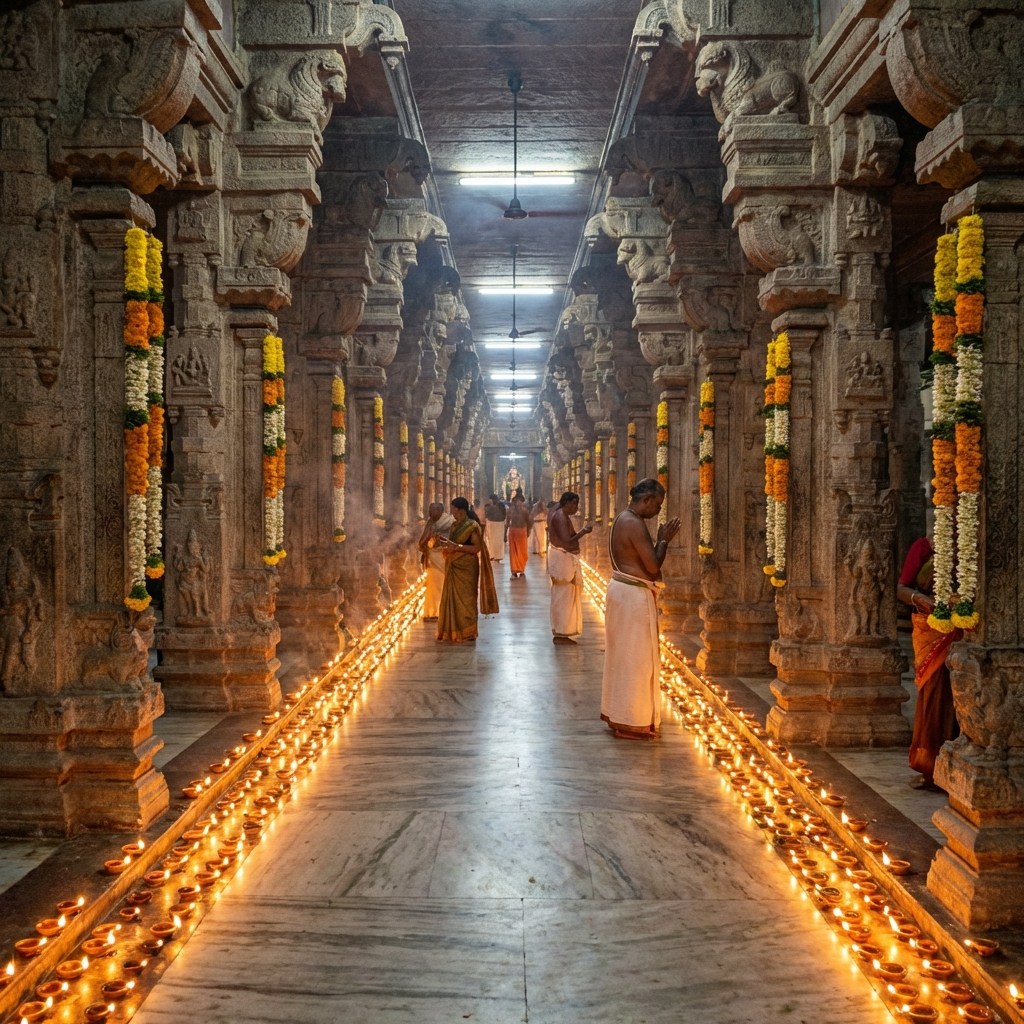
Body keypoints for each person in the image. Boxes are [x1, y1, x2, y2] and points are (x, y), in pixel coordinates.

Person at [600, 478, 681, 739]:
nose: (658, 511)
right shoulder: (634, 523)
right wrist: (663, 540)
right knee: (636, 659)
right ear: (646, 500)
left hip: (623, 591)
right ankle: (630, 719)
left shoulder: (622, 518)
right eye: (657, 505)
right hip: (632, 596)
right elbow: (653, 566)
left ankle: (622, 715)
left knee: (624, 656)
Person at [897, 536, 961, 790]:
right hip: (931, 627)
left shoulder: (977, 547)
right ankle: (930, 765)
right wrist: (921, 600)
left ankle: (956, 767)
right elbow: (902, 587)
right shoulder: (925, 547)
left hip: (966, 629)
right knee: (934, 694)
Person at [436, 496, 499, 643]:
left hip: (467, 568)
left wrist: (456, 547)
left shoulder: (472, 526)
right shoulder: (454, 526)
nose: (452, 513)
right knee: (452, 599)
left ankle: (468, 632)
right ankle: (452, 631)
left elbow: (476, 548)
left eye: (453, 510)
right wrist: (446, 543)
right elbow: (453, 543)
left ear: (461, 510)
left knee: (467, 600)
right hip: (454, 565)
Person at [547, 491, 593, 645]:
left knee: (567, 595)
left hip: (565, 558)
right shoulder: (560, 516)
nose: (576, 508)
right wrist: (584, 532)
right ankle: (561, 632)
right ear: (567, 503)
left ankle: (564, 631)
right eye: (575, 504)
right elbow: (567, 541)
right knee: (563, 595)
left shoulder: (563, 516)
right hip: (562, 559)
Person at [417, 501, 454, 622]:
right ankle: (432, 612)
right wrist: (426, 550)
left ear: (440, 511)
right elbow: (424, 540)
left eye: (434, 510)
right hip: (432, 558)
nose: (431, 512)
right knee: (431, 586)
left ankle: (441, 612)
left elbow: (450, 539)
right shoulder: (430, 521)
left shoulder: (448, 522)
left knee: (441, 585)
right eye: (430, 510)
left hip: (443, 557)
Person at [505, 493, 531, 579]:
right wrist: (505, 534)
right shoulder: (510, 511)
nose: (517, 503)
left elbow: (529, 522)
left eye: (519, 501)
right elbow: (507, 523)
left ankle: (522, 570)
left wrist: (528, 531)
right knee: (513, 552)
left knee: (522, 552)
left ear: (522, 502)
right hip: (513, 532)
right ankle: (514, 571)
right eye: (515, 501)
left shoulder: (525, 511)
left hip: (522, 532)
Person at [483, 493, 506, 563]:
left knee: (492, 540)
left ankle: (493, 555)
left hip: (493, 524)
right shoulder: (501, 505)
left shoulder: (492, 507)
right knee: (498, 541)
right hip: (500, 524)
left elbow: (486, 514)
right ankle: (498, 556)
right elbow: (504, 515)